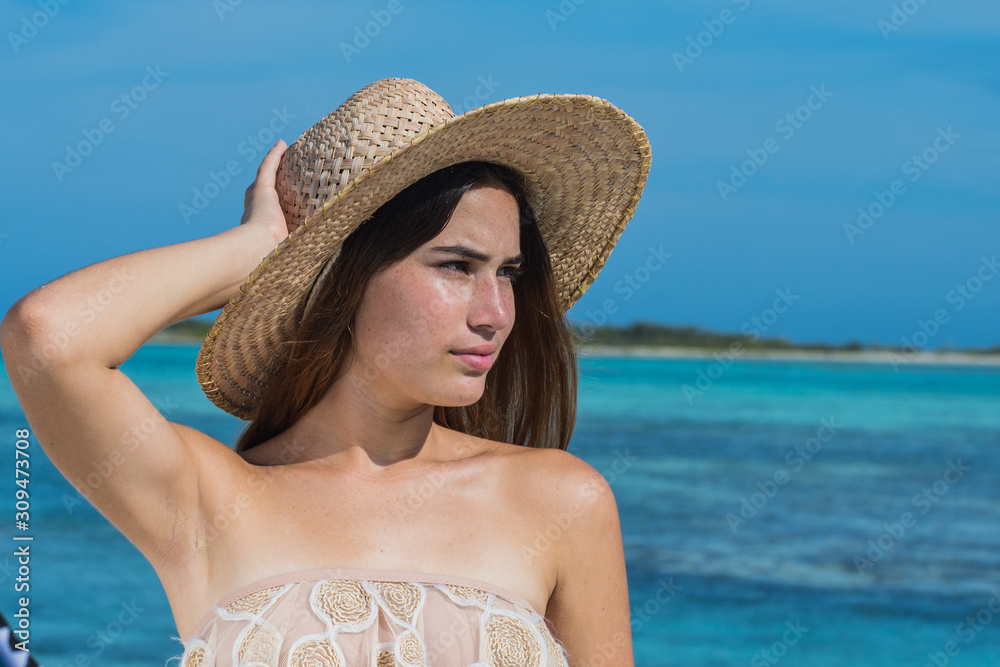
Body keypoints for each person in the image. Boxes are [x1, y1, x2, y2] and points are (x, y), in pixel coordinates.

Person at [1, 78, 651, 666]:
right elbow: (46, 337)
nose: (496, 313)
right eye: (457, 266)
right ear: (345, 275)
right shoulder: (210, 498)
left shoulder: (560, 500)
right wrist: (255, 252)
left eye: (507, 272)